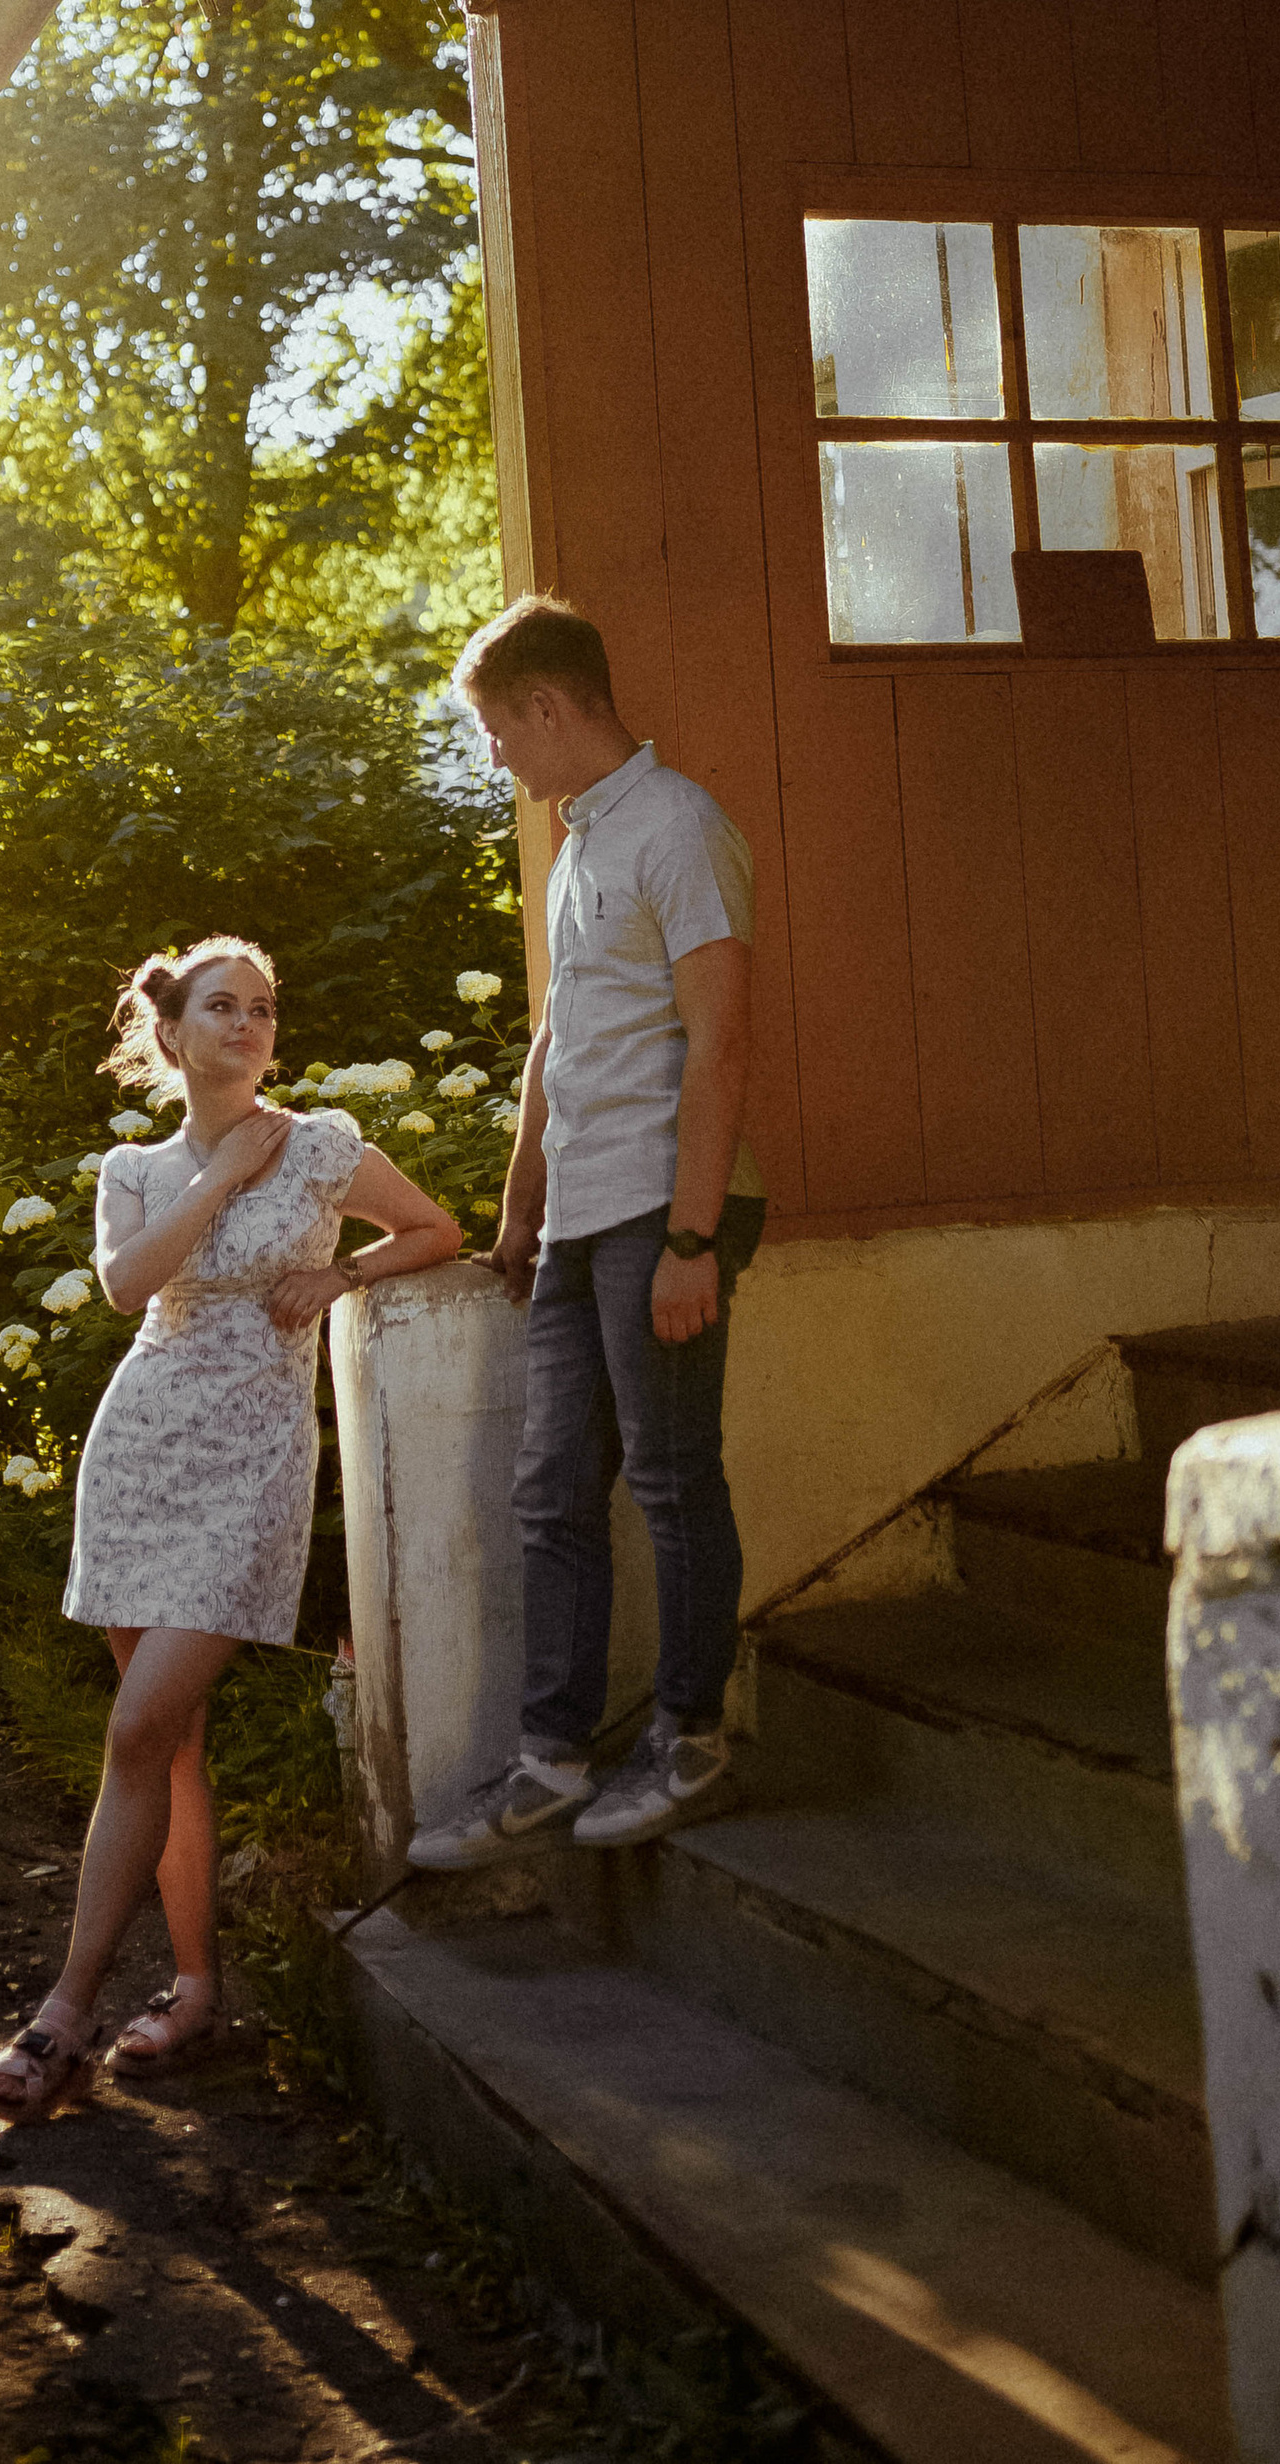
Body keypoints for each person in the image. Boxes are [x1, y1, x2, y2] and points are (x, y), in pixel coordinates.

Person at [0, 936, 461, 2121]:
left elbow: (435, 1230)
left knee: (139, 1727)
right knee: (166, 1742)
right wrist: (224, 1173)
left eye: (263, 1008)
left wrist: (342, 1278)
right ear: (172, 1034)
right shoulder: (132, 1166)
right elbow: (129, 1284)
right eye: (221, 1006)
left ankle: (62, 2015)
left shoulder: (328, 1145)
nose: (246, 1024)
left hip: (251, 1458)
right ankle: (194, 1988)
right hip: (140, 1449)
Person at [411, 595, 761, 1869]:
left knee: (670, 1479)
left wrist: (692, 1237)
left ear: (549, 707)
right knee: (551, 1487)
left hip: (666, 1209)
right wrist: (517, 1208)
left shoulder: (680, 826)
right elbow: (559, 1041)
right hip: (579, 1214)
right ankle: (552, 1760)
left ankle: (691, 1741)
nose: (494, 754)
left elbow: (721, 1041)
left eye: (499, 730)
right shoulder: (575, 845)